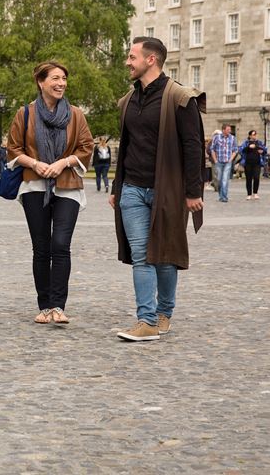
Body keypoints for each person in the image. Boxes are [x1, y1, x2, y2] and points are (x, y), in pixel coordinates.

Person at [110, 37, 205, 342]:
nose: (128, 62)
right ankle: (147, 320)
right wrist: (116, 186)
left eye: (132, 56)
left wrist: (194, 192)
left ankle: (164, 312)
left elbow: (193, 148)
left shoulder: (179, 97)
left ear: (151, 60)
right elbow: (125, 148)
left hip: (169, 191)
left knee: (164, 255)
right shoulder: (128, 100)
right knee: (142, 254)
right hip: (133, 190)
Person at [6, 62, 94, 325]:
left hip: (68, 185)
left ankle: (58, 305)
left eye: (64, 78)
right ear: (41, 82)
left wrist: (64, 162)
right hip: (34, 186)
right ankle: (44, 306)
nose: (61, 83)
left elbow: (86, 145)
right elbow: (13, 149)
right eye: (55, 78)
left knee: (60, 245)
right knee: (42, 247)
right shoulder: (25, 114)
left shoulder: (76, 115)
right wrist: (35, 163)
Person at [209, 124, 238, 202]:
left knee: (225, 179)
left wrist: (231, 159)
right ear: (223, 130)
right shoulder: (216, 138)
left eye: (230, 130)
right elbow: (212, 149)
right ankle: (221, 196)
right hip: (218, 161)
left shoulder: (232, 138)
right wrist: (215, 160)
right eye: (228, 129)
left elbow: (235, 150)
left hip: (228, 162)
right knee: (219, 180)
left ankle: (224, 197)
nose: (230, 131)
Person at [238, 130, 267, 200]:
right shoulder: (246, 142)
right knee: (248, 178)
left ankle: (255, 193)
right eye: (253, 134)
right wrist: (248, 147)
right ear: (250, 135)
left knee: (257, 177)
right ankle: (249, 194)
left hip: (257, 163)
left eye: (255, 134)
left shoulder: (259, 142)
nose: (255, 136)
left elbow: (265, 150)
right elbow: (240, 150)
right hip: (248, 163)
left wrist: (262, 151)